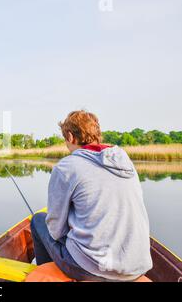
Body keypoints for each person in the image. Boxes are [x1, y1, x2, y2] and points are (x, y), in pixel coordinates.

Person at [30, 110, 152, 281]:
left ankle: (47, 272)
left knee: (38, 220)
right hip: (136, 268)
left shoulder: (67, 166)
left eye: (65, 139)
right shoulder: (125, 161)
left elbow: (56, 229)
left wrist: (69, 234)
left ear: (71, 137)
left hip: (91, 270)